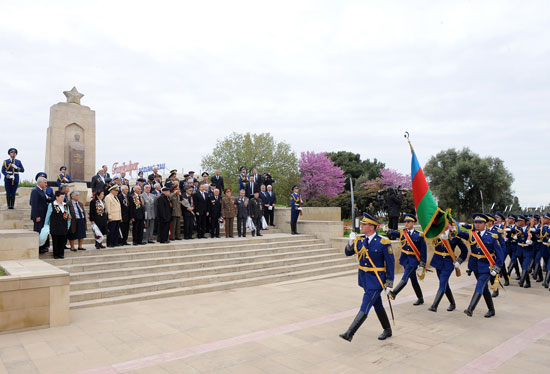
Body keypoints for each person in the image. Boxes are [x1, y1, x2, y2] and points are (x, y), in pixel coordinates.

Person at [339, 213, 394, 342]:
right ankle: (387, 329)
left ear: (372, 227)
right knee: (377, 304)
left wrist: (389, 284)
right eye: (362, 224)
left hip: (376, 280)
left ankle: (350, 333)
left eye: (364, 224)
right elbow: (348, 252)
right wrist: (350, 241)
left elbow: (390, 264)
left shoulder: (383, 242)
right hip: (364, 278)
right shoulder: (360, 240)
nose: (362, 226)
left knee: (366, 305)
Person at [457, 213, 503, 317]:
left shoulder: (492, 237)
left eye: (480, 223)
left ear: (485, 224)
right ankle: (491, 310)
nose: (477, 224)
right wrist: (451, 226)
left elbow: (500, 254)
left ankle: (470, 308)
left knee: (480, 285)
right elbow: (459, 233)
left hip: (487, 267)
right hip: (475, 266)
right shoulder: (472, 234)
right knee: (484, 288)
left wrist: (497, 267)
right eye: (476, 222)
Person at [385, 214, 427, 306]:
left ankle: (394, 293)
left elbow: (423, 251)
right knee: (414, 280)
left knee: (405, 277)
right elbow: (393, 233)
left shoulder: (419, 235)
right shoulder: (403, 233)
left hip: (413, 261)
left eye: (408, 222)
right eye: (405, 222)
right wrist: (388, 230)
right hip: (404, 260)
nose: (406, 224)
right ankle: (420, 298)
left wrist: (422, 264)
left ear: (413, 223)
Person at [427, 225, 468, 312]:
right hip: (438, 261)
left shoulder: (455, 236)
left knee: (442, 282)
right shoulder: (436, 234)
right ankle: (452, 303)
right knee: (445, 283)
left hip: (448, 263)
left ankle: (434, 305)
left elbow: (465, 250)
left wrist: (459, 261)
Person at [486, 213, 508, 297]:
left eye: (487, 221)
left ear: (491, 222)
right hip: (486, 255)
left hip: (495, 255)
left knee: (495, 272)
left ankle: (495, 289)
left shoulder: (498, 231)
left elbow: (502, 245)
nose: (486, 223)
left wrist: (500, 255)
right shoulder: (484, 230)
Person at [45, 191, 71, 259]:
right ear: (57, 197)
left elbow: (69, 216)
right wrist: (46, 225)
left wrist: (68, 224)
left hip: (63, 226)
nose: (63, 198)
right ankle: (56, 254)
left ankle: (61, 253)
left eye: (64, 197)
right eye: (61, 197)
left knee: (62, 241)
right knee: (55, 241)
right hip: (55, 226)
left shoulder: (65, 205)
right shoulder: (52, 205)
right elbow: (48, 216)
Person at [30, 174, 52, 253]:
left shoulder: (42, 191)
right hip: (39, 216)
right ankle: (39, 247)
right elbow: (34, 205)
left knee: (43, 231)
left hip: (44, 215)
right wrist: (36, 216)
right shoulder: (35, 191)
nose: (46, 184)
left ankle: (43, 246)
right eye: (45, 183)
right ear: (40, 182)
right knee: (39, 231)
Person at [505, 214, 522, 280]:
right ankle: (517, 274)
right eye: (508, 219)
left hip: (515, 246)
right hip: (508, 246)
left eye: (510, 219)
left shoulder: (517, 227)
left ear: (513, 220)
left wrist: (516, 238)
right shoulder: (506, 226)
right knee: (513, 261)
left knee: (513, 260)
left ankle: (508, 273)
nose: (509, 220)